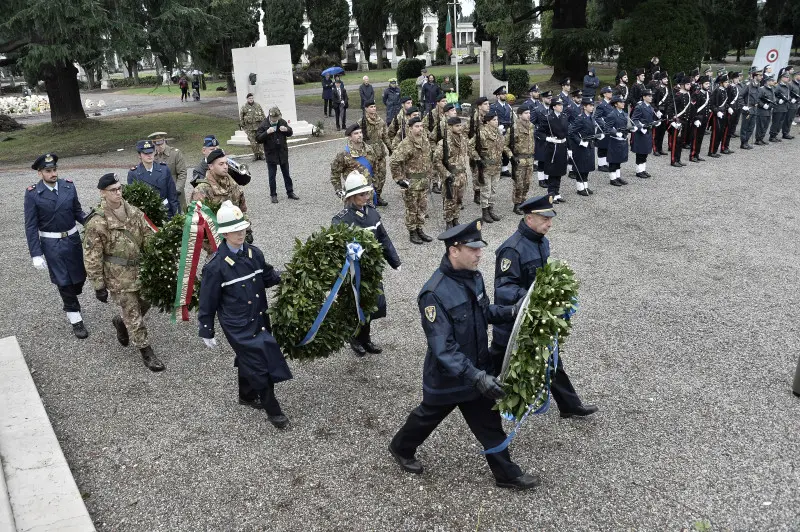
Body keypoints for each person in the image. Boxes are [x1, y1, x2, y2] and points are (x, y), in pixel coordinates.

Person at [388, 219, 538, 491]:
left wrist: (512, 312)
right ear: (453, 250)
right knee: (427, 416)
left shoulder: (474, 276)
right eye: (473, 249)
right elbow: (442, 348)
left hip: (476, 370)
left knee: (489, 424)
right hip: (449, 377)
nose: (480, 254)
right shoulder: (433, 294)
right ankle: (400, 447)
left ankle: (506, 474)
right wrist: (477, 377)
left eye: (480, 248)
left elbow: (484, 312)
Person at [491, 195, 598, 418]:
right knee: (496, 361)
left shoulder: (541, 241)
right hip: (515, 322)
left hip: (536, 316)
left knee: (550, 359)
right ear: (529, 218)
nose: (550, 224)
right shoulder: (512, 249)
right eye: (545, 219)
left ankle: (570, 406)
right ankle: (463, 393)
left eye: (551, 219)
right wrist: (534, 298)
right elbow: (503, 288)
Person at [198, 200, 292, 429]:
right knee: (260, 364)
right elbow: (207, 301)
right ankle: (273, 410)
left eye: (242, 228)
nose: (240, 233)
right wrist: (206, 329)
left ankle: (247, 395)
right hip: (238, 324)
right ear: (224, 233)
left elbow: (268, 277)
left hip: (259, 317)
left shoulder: (253, 253)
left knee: (251, 358)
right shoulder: (216, 266)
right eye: (234, 230)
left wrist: (291, 274)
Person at [83, 173, 163, 371]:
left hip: (140, 270)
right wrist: (98, 285)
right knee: (133, 312)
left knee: (147, 301)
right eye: (113, 190)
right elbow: (92, 255)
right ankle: (146, 351)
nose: (118, 193)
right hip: (117, 276)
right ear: (103, 193)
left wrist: (159, 257)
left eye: (119, 188)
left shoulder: (133, 212)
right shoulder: (97, 222)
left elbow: (147, 236)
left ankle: (120, 321)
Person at [332, 171, 401, 356]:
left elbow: (383, 238)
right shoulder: (341, 219)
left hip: (371, 270)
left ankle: (366, 338)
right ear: (352, 196)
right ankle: (355, 338)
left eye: (367, 193)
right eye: (362, 194)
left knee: (371, 305)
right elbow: (336, 248)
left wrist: (395, 261)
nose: (367, 196)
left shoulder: (372, 214)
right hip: (353, 272)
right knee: (356, 306)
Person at [24, 153, 90, 339]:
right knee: (64, 282)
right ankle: (75, 318)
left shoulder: (68, 186)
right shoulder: (33, 194)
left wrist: (92, 223)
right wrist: (36, 254)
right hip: (52, 244)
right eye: (48, 171)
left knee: (79, 279)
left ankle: (73, 297)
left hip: (73, 240)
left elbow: (78, 211)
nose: (53, 174)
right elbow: (30, 225)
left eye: (54, 170)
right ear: (40, 173)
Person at [191, 149, 252, 243]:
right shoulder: (202, 191)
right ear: (211, 166)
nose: (225, 167)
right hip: (216, 242)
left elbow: (242, 210)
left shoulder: (233, 185)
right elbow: (197, 224)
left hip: (237, 238)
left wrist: (247, 230)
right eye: (221, 164)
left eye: (226, 163)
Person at [390, 116, 434, 245]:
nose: (420, 128)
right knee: (412, 209)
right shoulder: (406, 144)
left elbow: (428, 159)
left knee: (422, 208)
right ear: (410, 128)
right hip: (411, 183)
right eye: (416, 126)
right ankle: (412, 232)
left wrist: (430, 175)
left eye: (421, 126)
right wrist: (399, 179)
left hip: (424, 181)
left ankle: (420, 229)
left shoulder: (425, 141)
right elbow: (394, 161)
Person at [471, 111, 511, 221]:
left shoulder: (498, 133)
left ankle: (490, 209)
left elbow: (503, 146)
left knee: (493, 190)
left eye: (497, 119)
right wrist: (478, 159)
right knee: (486, 189)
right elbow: (470, 146)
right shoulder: (481, 132)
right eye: (494, 120)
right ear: (487, 121)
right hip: (486, 167)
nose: (496, 121)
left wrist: (511, 156)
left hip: (497, 166)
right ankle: (485, 211)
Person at [255, 106, 299, 204]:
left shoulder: (282, 121)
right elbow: (258, 138)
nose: (276, 120)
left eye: (277, 118)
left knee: (286, 174)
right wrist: (266, 132)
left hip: (282, 152)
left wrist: (286, 129)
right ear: (270, 116)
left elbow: (290, 132)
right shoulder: (264, 124)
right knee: (272, 176)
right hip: (271, 154)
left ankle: (290, 192)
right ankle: (273, 195)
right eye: (274, 119)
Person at [127, 140, 180, 218]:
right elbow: (133, 201)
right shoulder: (133, 174)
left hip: (165, 211)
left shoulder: (164, 169)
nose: (149, 155)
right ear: (139, 155)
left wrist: (176, 215)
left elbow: (172, 195)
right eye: (146, 153)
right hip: (147, 214)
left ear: (154, 152)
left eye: (151, 152)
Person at [434, 116, 470, 228]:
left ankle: (455, 218)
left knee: (459, 199)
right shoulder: (444, 142)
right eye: (457, 126)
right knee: (449, 200)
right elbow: (436, 161)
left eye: (460, 125)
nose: (459, 128)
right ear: (450, 127)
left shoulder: (463, 139)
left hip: (462, 174)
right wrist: (446, 174)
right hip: (451, 176)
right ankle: (448, 221)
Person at [534, 96, 569, 202]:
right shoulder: (548, 118)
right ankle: (551, 194)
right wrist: (548, 138)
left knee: (560, 171)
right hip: (553, 147)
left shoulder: (564, 117)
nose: (561, 107)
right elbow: (539, 132)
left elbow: (567, 133)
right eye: (559, 105)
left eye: (561, 105)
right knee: (553, 171)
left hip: (562, 146)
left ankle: (557, 193)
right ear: (554, 107)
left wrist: (570, 148)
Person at [330, 123, 379, 198]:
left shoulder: (369, 149)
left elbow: (375, 168)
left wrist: (375, 185)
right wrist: (339, 190)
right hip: (353, 194)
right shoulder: (344, 154)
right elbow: (334, 173)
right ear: (350, 137)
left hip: (369, 192)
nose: (359, 135)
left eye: (360, 132)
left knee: (370, 209)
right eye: (356, 133)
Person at [361, 100, 393, 206]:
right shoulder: (362, 122)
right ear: (366, 108)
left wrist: (390, 148)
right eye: (371, 107)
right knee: (370, 176)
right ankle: (368, 198)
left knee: (382, 176)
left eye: (374, 106)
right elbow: (356, 138)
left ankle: (378, 196)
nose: (373, 108)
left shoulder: (381, 121)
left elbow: (385, 136)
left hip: (380, 153)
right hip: (368, 154)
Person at [505, 105, 536, 212]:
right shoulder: (513, 128)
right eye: (526, 113)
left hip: (530, 160)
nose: (529, 115)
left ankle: (523, 201)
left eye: (529, 113)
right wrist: (511, 156)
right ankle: (517, 204)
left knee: (527, 183)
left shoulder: (531, 126)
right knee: (518, 184)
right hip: (519, 160)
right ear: (519, 115)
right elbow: (504, 145)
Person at [149, 131, 188, 211]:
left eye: (161, 143)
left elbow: (182, 173)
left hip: (175, 192)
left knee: (180, 216)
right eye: (156, 144)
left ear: (165, 141)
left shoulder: (175, 154)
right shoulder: (152, 156)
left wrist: (177, 190)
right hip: (159, 194)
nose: (159, 146)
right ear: (153, 144)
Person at [568, 97, 599, 196]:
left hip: (589, 145)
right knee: (581, 167)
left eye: (592, 105)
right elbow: (572, 132)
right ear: (584, 107)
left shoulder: (591, 117)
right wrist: (580, 141)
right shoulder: (580, 118)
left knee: (587, 167)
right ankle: (580, 188)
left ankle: (585, 186)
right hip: (581, 146)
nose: (592, 107)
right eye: (590, 105)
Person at [601, 94, 630, 185]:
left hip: (622, 139)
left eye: (623, 102)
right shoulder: (612, 114)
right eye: (621, 102)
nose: (623, 103)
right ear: (616, 104)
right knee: (613, 160)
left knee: (619, 159)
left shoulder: (624, 113)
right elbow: (607, 128)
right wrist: (616, 133)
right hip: (615, 140)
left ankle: (618, 177)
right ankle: (612, 179)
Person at [667, 77, 692, 168]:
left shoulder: (688, 95)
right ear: (682, 85)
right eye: (688, 84)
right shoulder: (677, 95)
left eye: (690, 84)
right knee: (675, 142)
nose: (690, 86)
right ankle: (673, 160)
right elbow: (670, 109)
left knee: (680, 142)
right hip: (677, 122)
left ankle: (678, 159)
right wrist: (671, 121)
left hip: (684, 122)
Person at [631, 89, 656, 178]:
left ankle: (643, 169)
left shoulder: (650, 107)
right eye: (649, 96)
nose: (651, 97)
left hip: (648, 131)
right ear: (644, 97)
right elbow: (634, 119)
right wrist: (641, 128)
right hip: (641, 132)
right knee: (640, 152)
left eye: (651, 96)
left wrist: (655, 122)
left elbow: (651, 119)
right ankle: (639, 171)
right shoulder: (639, 106)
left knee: (645, 151)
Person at [532, 91, 553, 189]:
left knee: (548, 159)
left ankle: (547, 178)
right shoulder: (537, 110)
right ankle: (541, 180)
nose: (550, 100)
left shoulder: (552, 110)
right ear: (543, 99)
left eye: (551, 98)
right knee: (541, 160)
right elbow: (531, 124)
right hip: (541, 138)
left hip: (551, 138)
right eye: (548, 98)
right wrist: (538, 133)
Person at [491, 85, 514, 177]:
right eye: (502, 94)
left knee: (506, 149)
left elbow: (511, 118)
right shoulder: (493, 106)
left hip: (507, 131)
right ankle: (497, 170)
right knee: (497, 151)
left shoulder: (508, 106)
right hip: (498, 131)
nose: (505, 95)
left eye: (505, 93)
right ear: (497, 96)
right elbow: (490, 119)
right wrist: (497, 128)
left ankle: (504, 169)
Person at [688, 76, 711, 163]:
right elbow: (692, 108)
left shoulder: (708, 93)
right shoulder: (696, 94)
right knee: (695, 138)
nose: (708, 85)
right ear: (701, 85)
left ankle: (697, 154)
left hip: (704, 119)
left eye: (708, 83)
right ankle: (692, 155)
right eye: (706, 84)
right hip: (697, 119)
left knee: (700, 138)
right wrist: (695, 119)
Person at [738, 67, 762, 150]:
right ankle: (743, 143)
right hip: (748, 108)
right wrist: (743, 105)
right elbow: (740, 96)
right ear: (755, 76)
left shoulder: (758, 85)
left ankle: (746, 141)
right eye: (760, 75)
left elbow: (758, 97)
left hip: (754, 109)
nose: (761, 77)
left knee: (751, 127)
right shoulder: (748, 85)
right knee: (745, 127)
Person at [708, 75, 731, 158]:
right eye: (726, 82)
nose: (727, 83)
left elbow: (725, 103)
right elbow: (711, 104)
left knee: (721, 133)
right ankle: (711, 151)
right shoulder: (716, 91)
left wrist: (728, 108)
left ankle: (715, 150)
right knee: (715, 133)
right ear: (721, 83)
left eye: (728, 82)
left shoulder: (724, 91)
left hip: (723, 114)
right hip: (717, 115)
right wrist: (717, 112)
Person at [240, 93, 266, 161]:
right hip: (250, 129)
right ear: (247, 99)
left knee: (260, 141)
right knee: (253, 143)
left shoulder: (258, 105)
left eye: (252, 98)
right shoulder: (244, 107)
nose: (251, 99)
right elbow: (241, 118)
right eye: (249, 98)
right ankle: (256, 155)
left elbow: (263, 116)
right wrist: (244, 128)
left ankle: (262, 154)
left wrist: (265, 125)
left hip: (259, 128)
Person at [593, 86, 614, 172]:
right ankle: (601, 165)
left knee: (607, 147)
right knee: (602, 147)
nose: (611, 93)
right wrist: (605, 125)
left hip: (610, 128)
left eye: (611, 92)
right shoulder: (602, 105)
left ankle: (605, 163)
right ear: (605, 94)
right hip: (603, 129)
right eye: (609, 92)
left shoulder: (612, 104)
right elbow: (597, 117)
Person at [651, 73, 670, 156]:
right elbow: (652, 102)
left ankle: (660, 148)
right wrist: (656, 110)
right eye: (665, 79)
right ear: (661, 80)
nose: (667, 80)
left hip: (664, 113)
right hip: (657, 113)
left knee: (662, 132)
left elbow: (669, 102)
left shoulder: (667, 89)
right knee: (656, 132)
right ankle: (655, 149)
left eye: (667, 79)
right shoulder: (657, 89)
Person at [755, 74, 776, 145]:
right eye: (772, 80)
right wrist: (763, 105)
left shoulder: (772, 89)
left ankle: (761, 138)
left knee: (766, 125)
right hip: (762, 111)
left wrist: (770, 105)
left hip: (769, 110)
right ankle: (758, 140)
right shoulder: (761, 89)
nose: (773, 82)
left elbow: (773, 100)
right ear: (767, 81)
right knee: (760, 125)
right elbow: (757, 99)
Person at [770, 70, 791, 142]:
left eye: (788, 77)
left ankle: (775, 135)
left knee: (780, 122)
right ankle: (772, 136)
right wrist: (778, 100)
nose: (787, 78)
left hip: (785, 107)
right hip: (778, 107)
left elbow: (788, 95)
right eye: (785, 77)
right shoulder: (778, 86)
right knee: (776, 122)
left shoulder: (787, 85)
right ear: (781, 78)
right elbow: (773, 96)